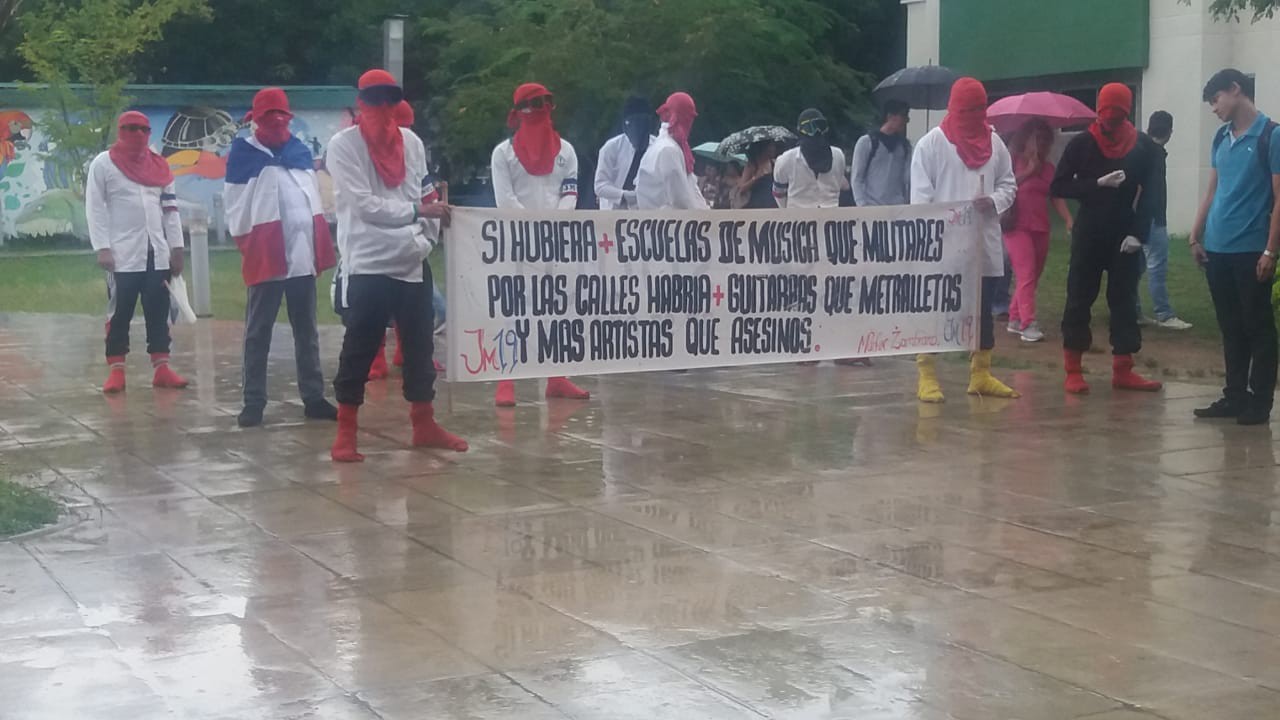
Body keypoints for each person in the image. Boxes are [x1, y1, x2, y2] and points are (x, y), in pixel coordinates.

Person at [326, 69, 466, 461]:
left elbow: (426, 192)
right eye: (374, 100)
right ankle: (346, 432)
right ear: (361, 103)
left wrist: (426, 238)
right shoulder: (344, 146)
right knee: (359, 348)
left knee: (420, 348)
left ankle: (424, 424)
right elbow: (364, 206)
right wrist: (418, 213)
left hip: (411, 261)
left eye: (390, 100)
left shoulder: (412, 142)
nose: (383, 108)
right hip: (368, 262)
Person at [224, 87, 339, 427]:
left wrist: (317, 242)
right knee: (258, 331)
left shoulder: (299, 151)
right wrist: (252, 243)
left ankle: (313, 397)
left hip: (301, 253)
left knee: (307, 330)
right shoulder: (244, 154)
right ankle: (253, 401)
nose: (276, 121)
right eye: (268, 116)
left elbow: (312, 198)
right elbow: (236, 206)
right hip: (267, 254)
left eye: (281, 115)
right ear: (256, 120)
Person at [910, 77, 1020, 403]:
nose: (974, 116)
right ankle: (927, 374)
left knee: (982, 310)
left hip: (983, 243)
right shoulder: (931, 145)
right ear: (954, 108)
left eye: (979, 109)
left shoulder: (995, 144)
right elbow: (921, 199)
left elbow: (1009, 184)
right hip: (943, 248)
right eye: (967, 110)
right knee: (935, 310)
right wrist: (945, 223)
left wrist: (994, 201)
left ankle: (981, 374)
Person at [1051, 83, 1162, 395]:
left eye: (1117, 115)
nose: (1110, 121)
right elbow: (1058, 186)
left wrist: (1138, 233)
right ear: (1098, 111)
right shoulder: (1082, 143)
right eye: (1105, 115)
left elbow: (1153, 194)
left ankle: (1123, 369)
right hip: (1089, 231)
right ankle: (1073, 369)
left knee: (1124, 299)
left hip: (1124, 232)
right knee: (1079, 296)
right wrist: (1096, 184)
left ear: (1127, 112)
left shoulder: (1143, 147)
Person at [490, 82, 591, 407]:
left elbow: (570, 194)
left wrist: (553, 224)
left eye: (546, 103)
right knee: (514, 309)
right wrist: (534, 227)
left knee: (558, 307)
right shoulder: (503, 154)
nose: (541, 110)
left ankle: (556, 376)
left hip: (556, 240)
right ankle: (506, 378)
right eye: (534, 104)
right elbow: (505, 200)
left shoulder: (566, 151)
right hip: (518, 242)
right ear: (519, 111)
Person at [1191, 69, 1280, 425]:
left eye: (1216, 100)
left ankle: (1260, 400)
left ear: (1235, 89)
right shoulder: (1221, 137)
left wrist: (1270, 250)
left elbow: (1279, 197)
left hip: (1251, 247)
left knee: (1257, 325)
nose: (1214, 109)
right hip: (1218, 247)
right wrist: (1196, 234)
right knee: (1230, 326)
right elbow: (1213, 190)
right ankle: (1234, 395)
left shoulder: (1271, 135)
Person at [88, 111, 189, 394]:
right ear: (120, 131)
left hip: (157, 251)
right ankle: (116, 369)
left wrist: (177, 248)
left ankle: (162, 367)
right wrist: (102, 247)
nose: (138, 134)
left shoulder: (159, 165)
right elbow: (94, 207)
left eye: (144, 129)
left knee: (159, 310)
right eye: (131, 128)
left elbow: (170, 209)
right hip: (121, 255)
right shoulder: (103, 163)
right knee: (120, 312)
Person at [1004, 119, 1074, 343]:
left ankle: (1015, 317)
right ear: (1025, 139)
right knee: (1025, 273)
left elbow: (1055, 196)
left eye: (1046, 140)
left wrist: (1068, 219)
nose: (1042, 144)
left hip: (1041, 226)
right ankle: (1028, 323)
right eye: (1037, 139)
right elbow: (1004, 189)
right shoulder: (1011, 162)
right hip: (1016, 227)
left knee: (1033, 275)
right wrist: (1028, 172)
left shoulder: (1049, 168)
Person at [1135, 111, 1192, 330]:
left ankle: (1133, 310)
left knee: (1136, 267)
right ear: (1169, 131)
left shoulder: (1139, 149)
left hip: (1138, 218)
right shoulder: (1156, 154)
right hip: (1153, 217)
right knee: (1157, 266)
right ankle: (1164, 314)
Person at [636, 92, 709, 211]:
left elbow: (690, 187)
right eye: (688, 118)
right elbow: (680, 199)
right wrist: (703, 217)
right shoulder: (668, 150)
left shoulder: (668, 146)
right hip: (664, 218)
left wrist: (707, 213)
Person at [772, 108, 846, 209]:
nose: (816, 132)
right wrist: (789, 213)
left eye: (820, 126)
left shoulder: (838, 155)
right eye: (810, 128)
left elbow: (838, 184)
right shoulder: (786, 160)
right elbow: (778, 193)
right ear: (801, 130)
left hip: (831, 215)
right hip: (798, 216)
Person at [595, 95, 655, 210]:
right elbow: (600, 185)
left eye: (641, 126)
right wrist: (624, 195)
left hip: (646, 213)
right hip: (612, 213)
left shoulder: (657, 148)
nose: (638, 131)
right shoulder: (611, 148)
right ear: (625, 127)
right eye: (633, 126)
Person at [852, 99, 911, 207]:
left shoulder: (905, 146)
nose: (907, 120)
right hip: (872, 206)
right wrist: (862, 205)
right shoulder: (867, 142)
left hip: (898, 207)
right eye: (903, 115)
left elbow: (907, 179)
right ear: (890, 116)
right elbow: (857, 178)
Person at [732, 140, 778, 209]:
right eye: (771, 146)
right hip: (756, 206)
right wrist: (755, 177)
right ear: (763, 148)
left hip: (772, 205)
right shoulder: (752, 165)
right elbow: (742, 189)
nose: (774, 148)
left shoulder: (774, 163)